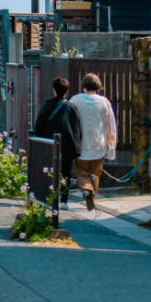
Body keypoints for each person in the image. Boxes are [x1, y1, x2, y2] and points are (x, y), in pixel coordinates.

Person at [67, 73, 117, 211]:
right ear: (98, 86)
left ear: (83, 86)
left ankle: (87, 191)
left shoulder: (75, 100)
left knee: (82, 172)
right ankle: (92, 197)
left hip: (81, 143)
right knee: (96, 173)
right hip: (99, 143)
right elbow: (111, 123)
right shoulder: (104, 102)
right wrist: (111, 143)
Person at [33, 77, 81, 209]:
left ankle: (48, 197)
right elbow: (77, 127)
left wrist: (38, 137)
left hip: (49, 142)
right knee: (66, 172)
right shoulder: (72, 106)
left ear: (54, 90)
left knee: (48, 169)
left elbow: (39, 126)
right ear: (67, 90)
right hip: (68, 142)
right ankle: (64, 200)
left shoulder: (47, 105)